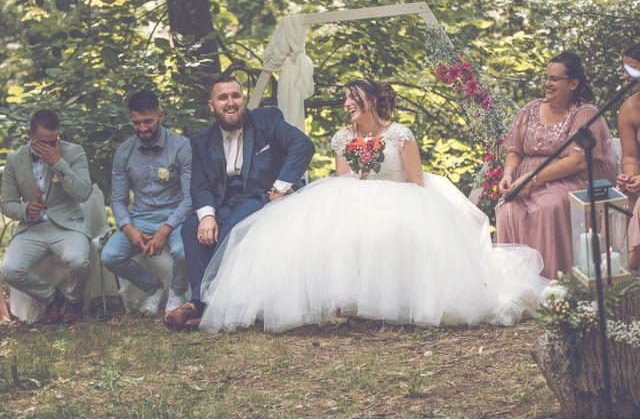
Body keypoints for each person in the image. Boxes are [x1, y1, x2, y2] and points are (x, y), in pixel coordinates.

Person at [197, 78, 548, 334]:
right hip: (355, 195)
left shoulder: (400, 134)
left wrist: (386, 198)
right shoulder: (343, 137)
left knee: (389, 229)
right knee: (328, 229)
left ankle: (393, 302)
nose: (347, 104)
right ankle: (341, 302)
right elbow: (343, 181)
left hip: (402, 193)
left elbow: (416, 181)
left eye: (352, 99)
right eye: (346, 99)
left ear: (369, 101)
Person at [163, 76, 315, 331]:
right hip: (226, 202)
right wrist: (207, 217)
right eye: (223, 97)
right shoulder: (200, 142)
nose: (231, 102)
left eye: (236, 96)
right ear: (212, 105)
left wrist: (280, 187)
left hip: (261, 196)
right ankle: (202, 303)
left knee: (233, 228)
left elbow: (303, 145)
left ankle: (204, 304)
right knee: (191, 228)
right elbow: (199, 184)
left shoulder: (267, 120)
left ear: (244, 100)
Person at [495, 52, 617, 279]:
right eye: (546, 78)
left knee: (547, 207)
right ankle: (514, 281)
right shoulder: (529, 109)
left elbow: (578, 160)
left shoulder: (584, 113)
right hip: (524, 178)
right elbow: (515, 150)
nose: (547, 84)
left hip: (567, 179)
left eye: (554, 79)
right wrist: (509, 174)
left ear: (573, 83)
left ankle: (553, 282)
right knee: (507, 208)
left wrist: (532, 177)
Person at [101, 90, 192, 315]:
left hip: (176, 217)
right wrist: (129, 228)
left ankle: (177, 292)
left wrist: (165, 229)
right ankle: (154, 287)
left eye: (148, 121)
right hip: (140, 218)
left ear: (160, 115)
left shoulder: (181, 146)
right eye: (136, 123)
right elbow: (119, 199)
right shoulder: (124, 151)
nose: (142, 128)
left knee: (182, 251)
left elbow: (190, 198)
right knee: (110, 256)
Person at [0, 109, 93, 324]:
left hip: (68, 226)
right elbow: (6, 204)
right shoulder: (14, 160)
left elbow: (84, 193)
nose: (50, 147)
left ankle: (74, 300)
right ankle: (53, 298)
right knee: (10, 270)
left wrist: (59, 163)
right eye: (44, 142)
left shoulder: (74, 152)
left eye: (54, 141)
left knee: (79, 262)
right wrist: (24, 210)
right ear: (29, 134)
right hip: (31, 228)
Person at [615, 44, 640, 271]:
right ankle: (614, 273)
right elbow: (630, 156)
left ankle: (632, 271)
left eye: (631, 69)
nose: (625, 76)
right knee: (618, 195)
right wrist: (630, 176)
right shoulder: (629, 108)